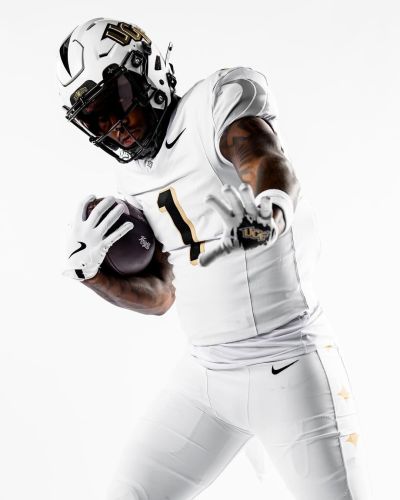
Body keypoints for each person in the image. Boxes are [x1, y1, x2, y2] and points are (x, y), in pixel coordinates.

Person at [57, 17, 371, 500]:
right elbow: (162, 295)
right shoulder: (132, 177)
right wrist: (92, 274)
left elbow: (263, 157)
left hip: (289, 365)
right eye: (96, 118)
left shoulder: (212, 105)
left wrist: (272, 207)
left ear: (146, 72)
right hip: (206, 376)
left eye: (115, 102)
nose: (113, 126)